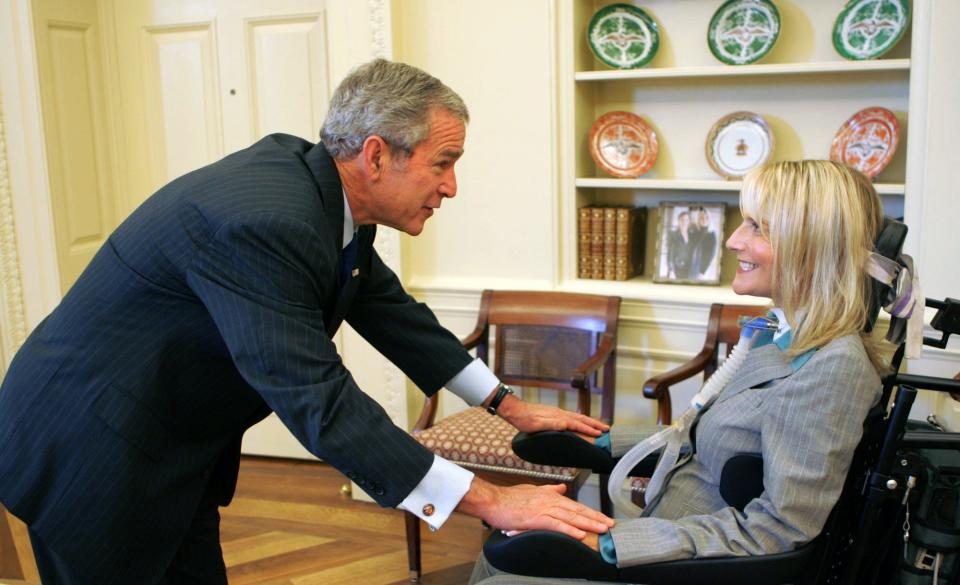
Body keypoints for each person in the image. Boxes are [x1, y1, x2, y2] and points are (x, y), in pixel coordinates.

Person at [0, 58, 613, 585]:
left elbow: (394, 314)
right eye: (443, 162)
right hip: (91, 446)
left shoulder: (326, 198)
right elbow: (322, 402)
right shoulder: (267, 222)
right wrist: (490, 500)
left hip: (170, 445)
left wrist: (508, 405)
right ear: (377, 155)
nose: (451, 187)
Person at [470, 160, 889, 584]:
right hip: (673, 532)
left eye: (757, 227)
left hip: (693, 567)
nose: (732, 241)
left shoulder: (834, 366)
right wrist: (604, 439)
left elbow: (779, 529)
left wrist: (612, 546)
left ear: (812, 244)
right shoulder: (783, 333)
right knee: (497, 554)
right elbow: (711, 437)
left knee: (499, 570)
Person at [689, 206, 717, 278]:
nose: (704, 220)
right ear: (698, 219)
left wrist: (702, 271)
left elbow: (711, 255)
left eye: (706, 217)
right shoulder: (694, 230)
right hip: (689, 266)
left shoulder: (711, 235)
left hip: (701, 269)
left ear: (709, 219)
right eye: (701, 217)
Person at [666, 210, 694, 280]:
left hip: (689, 269)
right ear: (678, 221)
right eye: (682, 220)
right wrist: (671, 270)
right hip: (677, 269)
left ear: (689, 222)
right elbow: (670, 253)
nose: (684, 222)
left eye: (687, 220)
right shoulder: (673, 235)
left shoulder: (691, 235)